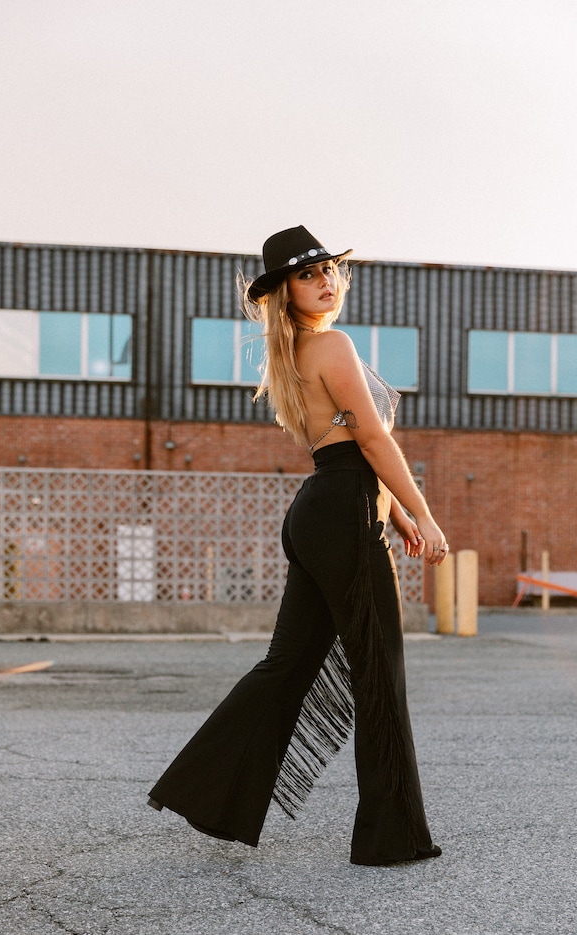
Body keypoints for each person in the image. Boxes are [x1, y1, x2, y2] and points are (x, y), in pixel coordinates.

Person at [147, 225, 448, 865]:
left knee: (288, 665)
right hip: (342, 512)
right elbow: (370, 441)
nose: (325, 281)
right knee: (379, 674)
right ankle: (391, 839)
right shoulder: (330, 344)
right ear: (284, 292)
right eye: (308, 275)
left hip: (325, 510)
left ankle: (203, 792)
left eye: (328, 270)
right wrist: (423, 511)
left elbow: (350, 451)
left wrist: (398, 520)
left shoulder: (292, 356)